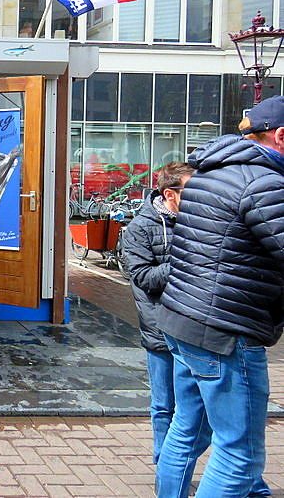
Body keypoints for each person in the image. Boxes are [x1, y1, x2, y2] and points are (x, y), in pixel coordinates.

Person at [155, 96, 284, 497]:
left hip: (184, 319)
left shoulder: (207, 174)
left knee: (186, 430)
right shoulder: (264, 183)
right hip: (225, 331)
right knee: (238, 455)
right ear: (281, 136)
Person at [121, 161, 195, 468]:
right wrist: (186, 260)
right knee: (165, 405)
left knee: (195, 408)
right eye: (192, 191)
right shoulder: (139, 228)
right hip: (161, 330)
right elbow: (143, 277)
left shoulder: (199, 223)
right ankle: (165, 471)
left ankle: (180, 470)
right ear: (169, 194)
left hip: (196, 331)